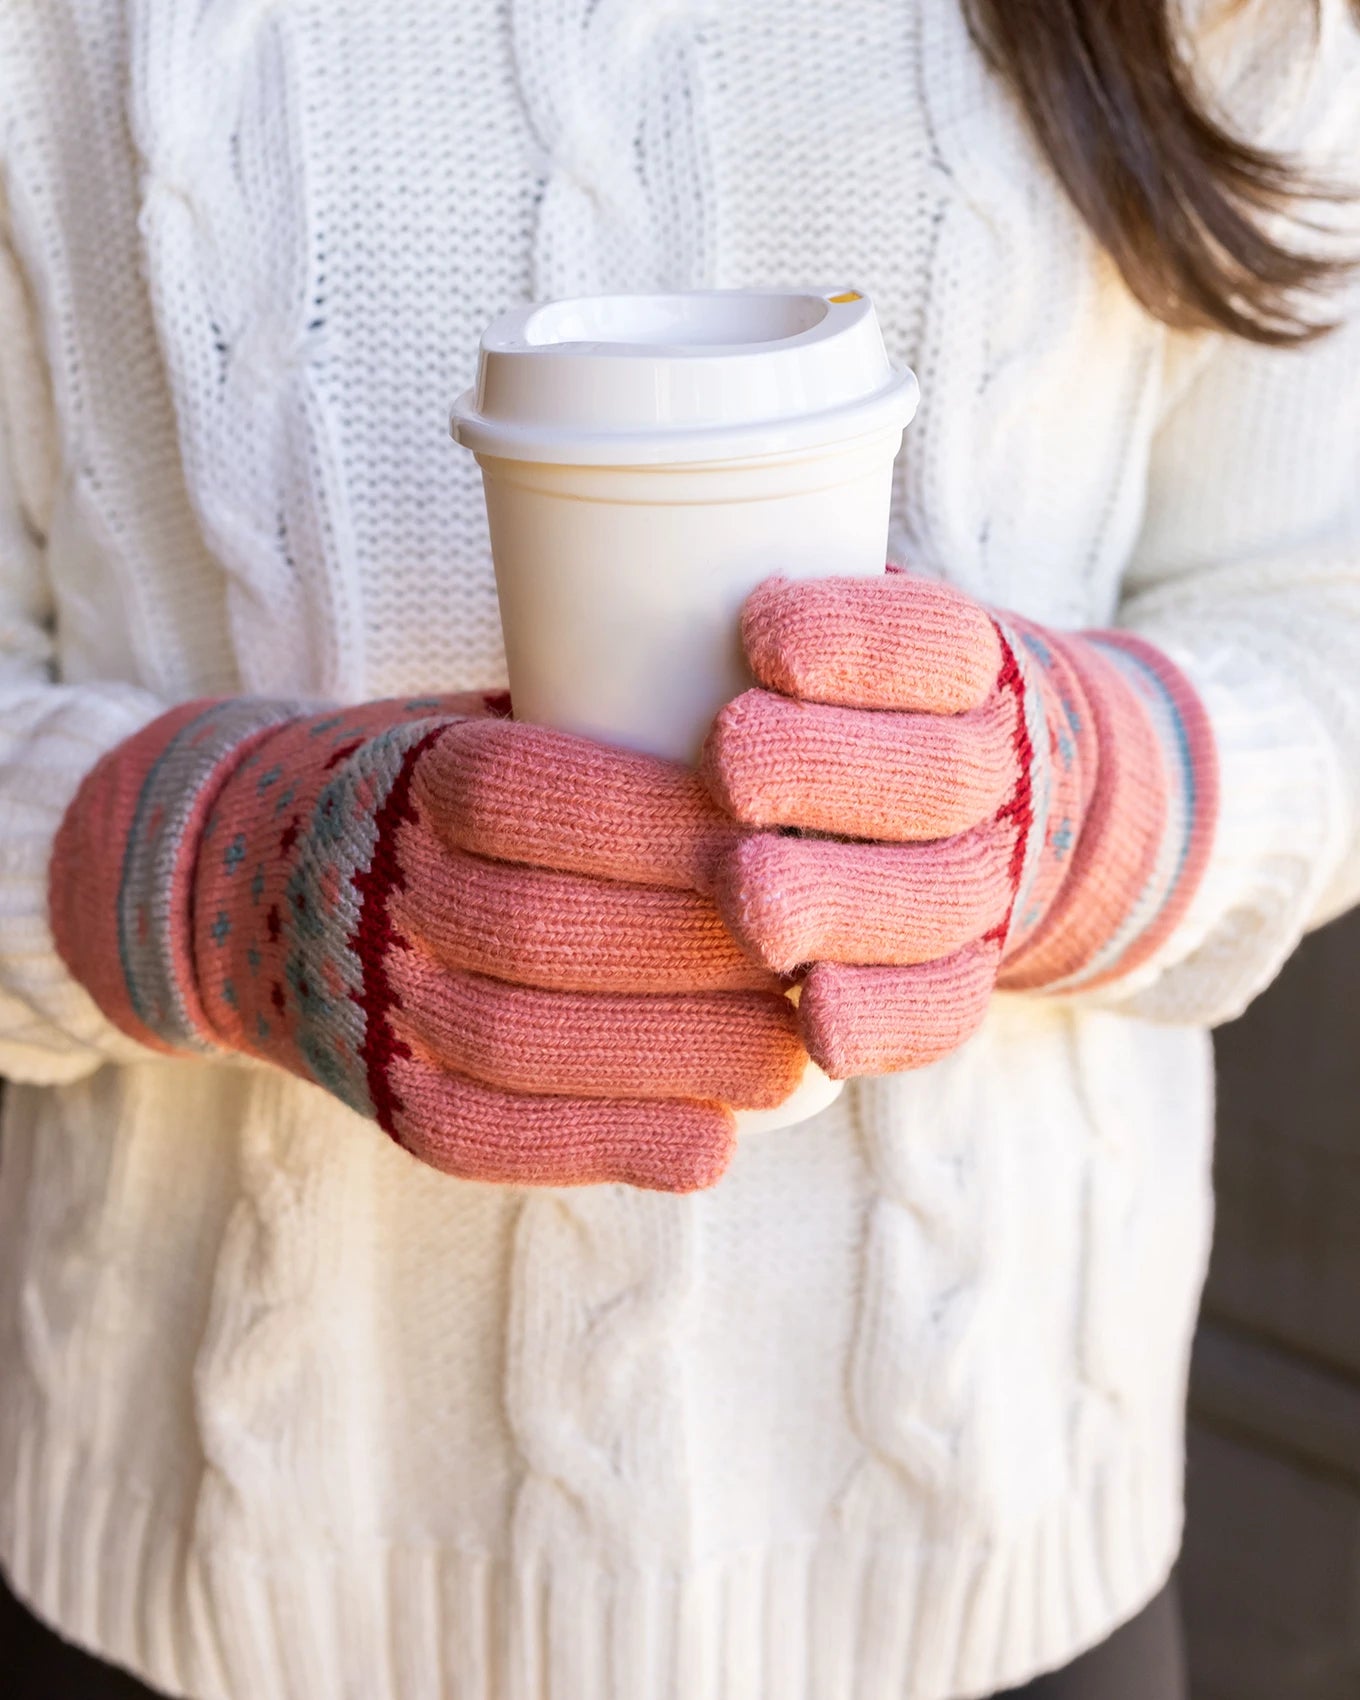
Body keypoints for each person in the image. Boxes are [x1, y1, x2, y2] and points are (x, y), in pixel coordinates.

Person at [0, 2, 1357, 1697]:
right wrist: (214, 881)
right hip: (210, 1574)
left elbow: (1319, 617)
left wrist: (1068, 799)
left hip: (992, 1562)